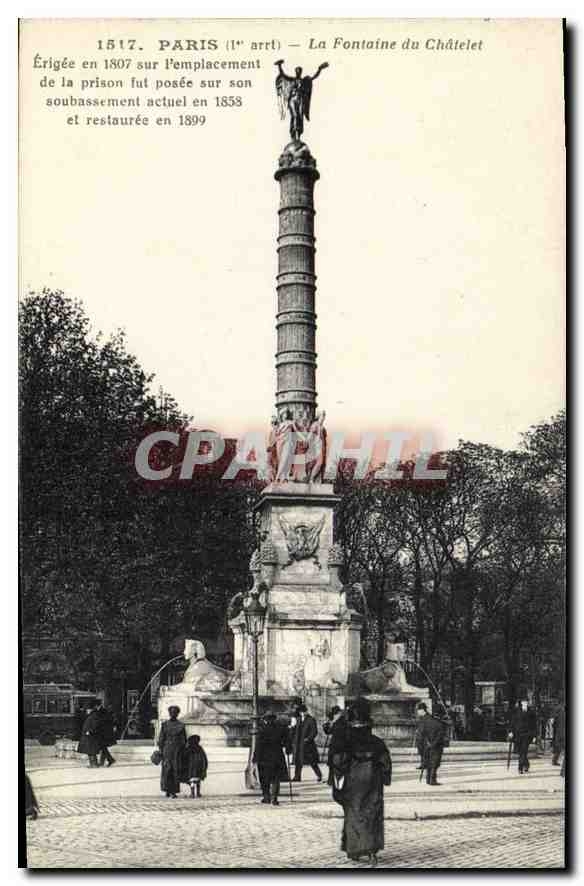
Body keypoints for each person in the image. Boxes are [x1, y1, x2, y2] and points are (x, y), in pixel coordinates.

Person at [330, 697, 391, 865]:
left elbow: (339, 762)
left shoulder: (346, 741)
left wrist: (337, 779)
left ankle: (354, 848)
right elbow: (385, 763)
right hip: (373, 782)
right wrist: (385, 778)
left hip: (353, 781)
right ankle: (371, 849)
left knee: (353, 814)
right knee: (372, 814)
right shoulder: (377, 742)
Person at [253, 712, 292, 805]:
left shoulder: (262, 729)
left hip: (264, 758)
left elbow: (258, 745)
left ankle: (266, 797)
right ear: (274, 719)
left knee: (264, 778)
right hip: (277, 756)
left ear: (266, 719)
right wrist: (288, 749)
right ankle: (274, 797)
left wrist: (255, 759)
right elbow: (287, 741)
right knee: (275, 778)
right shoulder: (281, 728)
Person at [158, 705, 187, 798]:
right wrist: (161, 749)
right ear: (169, 713)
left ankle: (173, 791)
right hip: (167, 750)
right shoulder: (165, 724)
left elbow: (183, 739)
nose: (173, 714)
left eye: (175, 712)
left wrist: (182, 750)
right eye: (171, 712)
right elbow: (161, 738)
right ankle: (167, 789)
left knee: (175, 770)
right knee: (167, 770)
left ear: (177, 714)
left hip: (177, 751)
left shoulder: (181, 725)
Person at [415, 702, 447, 786]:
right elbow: (441, 735)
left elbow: (420, 736)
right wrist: (434, 743)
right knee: (435, 762)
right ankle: (432, 780)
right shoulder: (437, 722)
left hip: (427, 745)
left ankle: (429, 779)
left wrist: (420, 748)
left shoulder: (423, 721)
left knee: (429, 762)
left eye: (418, 710)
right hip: (436, 745)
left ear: (422, 710)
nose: (417, 712)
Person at [290, 703, 322, 782]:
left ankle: (319, 775)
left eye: (303, 712)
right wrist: (292, 728)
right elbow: (294, 731)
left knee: (312, 762)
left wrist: (308, 739)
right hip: (298, 744)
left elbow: (314, 731)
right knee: (298, 761)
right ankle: (297, 777)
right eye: (301, 712)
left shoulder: (311, 719)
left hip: (308, 744)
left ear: (306, 711)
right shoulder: (298, 719)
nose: (302, 713)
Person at [509, 700, 537, 774]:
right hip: (518, 734)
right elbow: (512, 722)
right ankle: (527, 764)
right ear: (521, 703)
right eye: (524, 702)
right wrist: (511, 731)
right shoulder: (516, 711)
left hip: (527, 735)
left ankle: (520, 768)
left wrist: (534, 736)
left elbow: (534, 725)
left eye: (526, 702)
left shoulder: (531, 712)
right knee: (520, 752)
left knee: (523, 751)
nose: (525, 703)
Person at [323, 706, 348, 785]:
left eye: (335, 714)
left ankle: (339, 780)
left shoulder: (342, 722)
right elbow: (328, 732)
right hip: (334, 745)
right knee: (331, 764)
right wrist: (326, 725)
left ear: (338, 714)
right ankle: (330, 780)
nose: (334, 716)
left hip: (340, 746)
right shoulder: (334, 722)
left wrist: (332, 724)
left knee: (339, 764)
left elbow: (339, 732)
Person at [181, 734, 208, 798]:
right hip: (199, 767)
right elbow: (204, 758)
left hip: (191, 767)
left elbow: (184, 757)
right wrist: (205, 766)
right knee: (198, 780)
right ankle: (198, 793)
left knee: (192, 780)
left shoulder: (189, 748)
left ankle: (192, 793)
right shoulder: (200, 748)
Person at [77, 703, 102, 768]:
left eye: (88, 710)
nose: (87, 711)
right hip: (89, 736)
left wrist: (90, 731)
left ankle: (94, 764)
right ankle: (92, 764)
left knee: (91, 751)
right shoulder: (91, 715)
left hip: (91, 736)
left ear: (91, 710)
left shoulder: (93, 716)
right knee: (90, 751)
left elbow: (95, 726)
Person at [96, 702, 117, 767]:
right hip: (105, 732)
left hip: (104, 733)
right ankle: (106, 761)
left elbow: (104, 721)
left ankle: (110, 760)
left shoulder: (102, 712)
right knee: (103, 747)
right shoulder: (103, 711)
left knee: (102, 746)